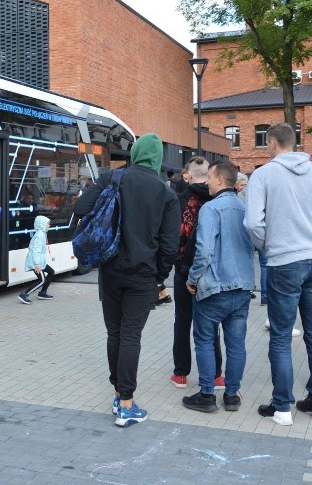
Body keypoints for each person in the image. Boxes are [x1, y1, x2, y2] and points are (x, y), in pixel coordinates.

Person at [244, 123, 312, 426]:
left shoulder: (263, 174)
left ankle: (282, 407)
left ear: (273, 143)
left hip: (283, 262)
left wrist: (269, 246)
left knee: (280, 336)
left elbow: (252, 223)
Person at [74, 133, 180, 427]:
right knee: (131, 335)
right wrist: (158, 278)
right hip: (143, 275)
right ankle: (126, 403)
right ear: (157, 158)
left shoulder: (112, 178)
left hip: (109, 269)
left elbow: (80, 209)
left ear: (135, 153)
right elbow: (170, 246)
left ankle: (118, 392)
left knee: (115, 333)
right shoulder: (166, 194)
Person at [182, 161, 255, 413]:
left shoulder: (211, 209)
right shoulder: (246, 208)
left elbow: (204, 250)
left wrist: (192, 279)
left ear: (221, 180)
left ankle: (207, 394)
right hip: (242, 286)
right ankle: (232, 395)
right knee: (236, 344)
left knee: (203, 339)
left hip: (214, 286)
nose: (207, 182)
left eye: (210, 178)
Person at [170, 157, 224, 390]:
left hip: (184, 269)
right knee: (211, 323)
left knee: (182, 321)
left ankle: (181, 373)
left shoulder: (180, 201)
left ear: (189, 174)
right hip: (213, 270)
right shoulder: (218, 199)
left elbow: (174, 235)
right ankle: (216, 374)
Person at [17, 215, 54, 304]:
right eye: (47, 224)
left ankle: (42, 293)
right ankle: (24, 294)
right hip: (35, 262)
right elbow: (35, 250)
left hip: (40, 261)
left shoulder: (42, 233)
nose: (49, 226)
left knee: (51, 272)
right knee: (42, 280)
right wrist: (37, 264)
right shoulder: (40, 235)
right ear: (42, 225)